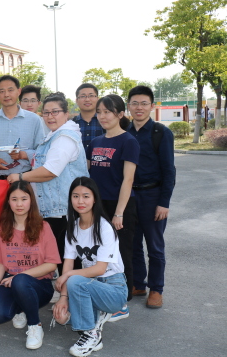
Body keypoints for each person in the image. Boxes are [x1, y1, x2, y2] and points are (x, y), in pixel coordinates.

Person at [8, 92, 89, 276]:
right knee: (62, 254)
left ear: (66, 113)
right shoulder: (54, 135)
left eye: (55, 112)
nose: (50, 116)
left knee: (68, 256)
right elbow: (46, 156)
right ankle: (66, 288)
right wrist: (25, 155)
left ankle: (71, 290)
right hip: (54, 209)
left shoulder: (65, 138)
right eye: (46, 113)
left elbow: (50, 171)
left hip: (62, 210)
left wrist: (20, 177)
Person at [52, 177, 127, 357]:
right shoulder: (73, 228)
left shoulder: (105, 227)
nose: (81, 201)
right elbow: (68, 263)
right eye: (75, 196)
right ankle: (96, 316)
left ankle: (90, 333)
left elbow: (100, 269)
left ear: (94, 199)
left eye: (86, 196)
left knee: (75, 280)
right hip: (90, 285)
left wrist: (69, 275)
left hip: (114, 289)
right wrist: (63, 298)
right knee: (62, 317)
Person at [0, 181, 60, 350]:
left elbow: (51, 264)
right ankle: (20, 309)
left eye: (24, 199)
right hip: (11, 280)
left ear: (31, 201)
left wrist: (19, 277)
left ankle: (35, 325)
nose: (19, 204)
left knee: (21, 281)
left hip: (39, 284)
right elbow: (0, 263)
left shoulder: (43, 227)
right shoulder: (2, 228)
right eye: (14, 199)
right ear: (8, 202)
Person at [86, 94, 139, 321]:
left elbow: (128, 180)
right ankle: (102, 296)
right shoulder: (96, 142)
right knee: (98, 251)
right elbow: (88, 175)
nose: (102, 116)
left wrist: (119, 212)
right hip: (97, 205)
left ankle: (121, 302)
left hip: (120, 205)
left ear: (120, 114)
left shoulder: (128, 141)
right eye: (99, 112)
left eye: (107, 112)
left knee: (121, 253)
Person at [127, 86, 176, 309]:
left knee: (155, 246)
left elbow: (169, 171)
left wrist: (164, 203)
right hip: (129, 195)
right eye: (135, 103)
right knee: (133, 243)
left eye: (144, 103)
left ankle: (156, 289)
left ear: (152, 106)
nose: (139, 107)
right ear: (129, 106)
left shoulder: (161, 133)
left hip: (152, 195)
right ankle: (138, 283)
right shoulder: (124, 131)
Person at [0, 75, 44, 180]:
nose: (6, 95)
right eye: (2, 91)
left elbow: (42, 151)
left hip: (24, 178)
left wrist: (23, 154)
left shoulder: (34, 120)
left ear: (19, 91)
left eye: (10, 90)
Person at [73, 84, 105, 149]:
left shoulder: (105, 121)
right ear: (77, 101)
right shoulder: (72, 124)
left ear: (97, 99)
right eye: (83, 96)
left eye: (91, 96)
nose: (87, 99)